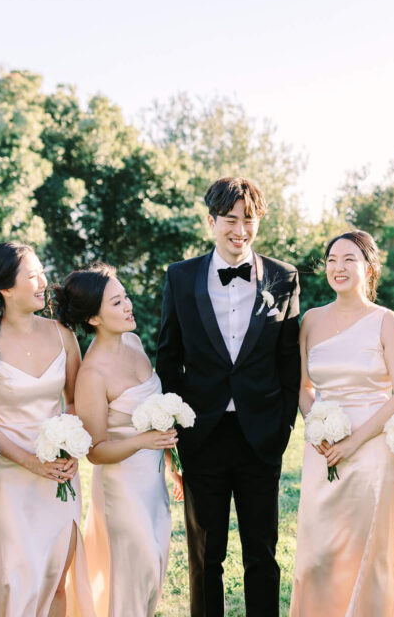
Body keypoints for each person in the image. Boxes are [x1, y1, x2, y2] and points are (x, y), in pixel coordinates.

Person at [156, 176, 301, 617]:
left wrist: (283, 426)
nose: (240, 229)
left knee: (263, 553)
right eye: (231, 219)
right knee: (205, 555)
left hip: (262, 435)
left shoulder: (283, 276)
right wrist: (178, 427)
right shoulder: (180, 277)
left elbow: (289, 361)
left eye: (249, 219)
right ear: (211, 221)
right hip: (203, 435)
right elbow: (168, 357)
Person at [0, 242, 93, 617]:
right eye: (32, 274)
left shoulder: (62, 334)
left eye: (42, 271)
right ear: (5, 288)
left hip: (60, 474)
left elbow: (73, 400)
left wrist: (69, 450)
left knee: (56, 578)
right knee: (17, 581)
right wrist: (31, 462)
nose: (43, 281)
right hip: (10, 478)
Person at [289, 230, 394, 617]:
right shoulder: (310, 320)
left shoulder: (387, 322)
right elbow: (302, 387)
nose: (338, 267)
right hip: (322, 450)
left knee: (368, 550)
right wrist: (320, 427)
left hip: (373, 450)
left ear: (370, 267)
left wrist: (354, 441)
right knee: (318, 552)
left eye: (349, 260)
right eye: (331, 260)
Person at [63, 263, 175, 617]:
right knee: (135, 570)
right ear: (93, 318)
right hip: (122, 487)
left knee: (155, 566)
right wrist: (142, 441)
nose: (128, 306)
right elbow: (95, 451)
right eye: (116, 303)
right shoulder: (92, 373)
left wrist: (172, 463)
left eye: (125, 297)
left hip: (154, 480)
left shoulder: (134, 341)